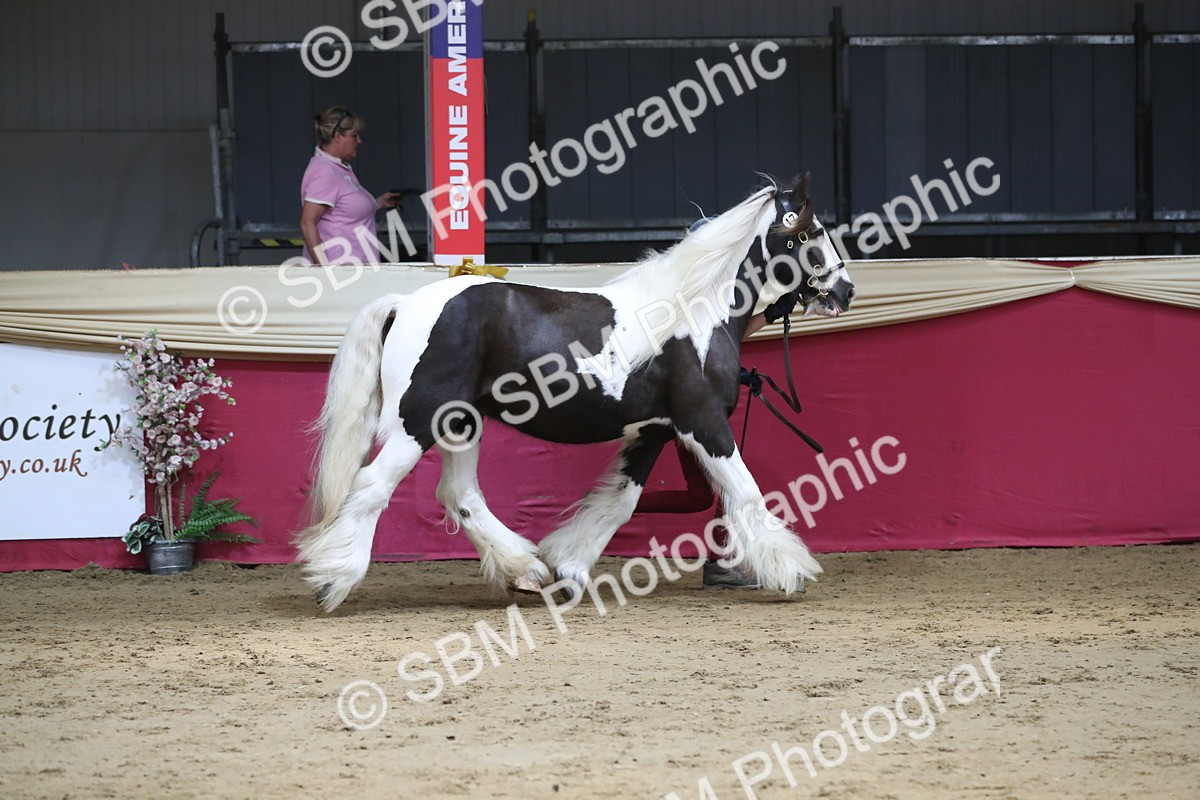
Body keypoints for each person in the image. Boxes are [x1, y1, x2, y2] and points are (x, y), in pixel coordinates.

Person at [300, 107, 400, 266]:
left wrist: (377, 203)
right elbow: (308, 222)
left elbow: (344, 211)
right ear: (338, 137)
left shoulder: (339, 169)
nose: (359, 141)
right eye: (354, 136)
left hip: (356, 271)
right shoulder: (325, 171)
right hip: (342, 273)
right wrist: (324, 269)